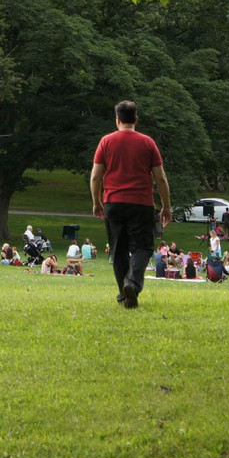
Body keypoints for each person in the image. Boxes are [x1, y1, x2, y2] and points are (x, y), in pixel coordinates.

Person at [90, 100, 172, 309]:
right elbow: (160, 178)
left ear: (117, 119)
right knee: (143, 247)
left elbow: (96, 177)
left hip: (113, 202)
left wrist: (96, 201)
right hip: (141, 203)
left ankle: (124, 295)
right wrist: (166, 206)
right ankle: (132, 283)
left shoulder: (106, 142)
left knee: (118, 250)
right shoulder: (148, 143)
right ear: (136, 119)